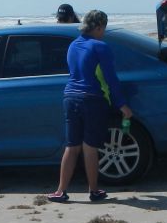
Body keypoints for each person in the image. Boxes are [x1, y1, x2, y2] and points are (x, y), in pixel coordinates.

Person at [47, 10, 132, 203]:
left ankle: (60, 191)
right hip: (92, 99)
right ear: (99, 26)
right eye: (104, 28)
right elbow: (111, 79)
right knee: (89, 146)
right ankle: (94, 190)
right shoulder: (101, 47)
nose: (104, 32)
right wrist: (122, 104)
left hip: (69, 97)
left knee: (72, 145)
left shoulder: (72, 45)